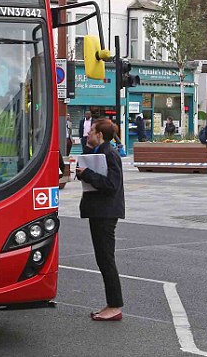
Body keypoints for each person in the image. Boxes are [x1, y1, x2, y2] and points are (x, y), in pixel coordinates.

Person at [76, 118, 125, 321]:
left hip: (106, 213)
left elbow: (111, 184)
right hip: (99, 211)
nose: (88, 134)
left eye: (92, 131)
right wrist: (84, 173)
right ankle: (111, 304)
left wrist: (87, 174)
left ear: (100, 135)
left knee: (106, 260)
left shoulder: (109, 154)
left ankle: (115, 306)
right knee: (102, 259)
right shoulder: (99, 152)